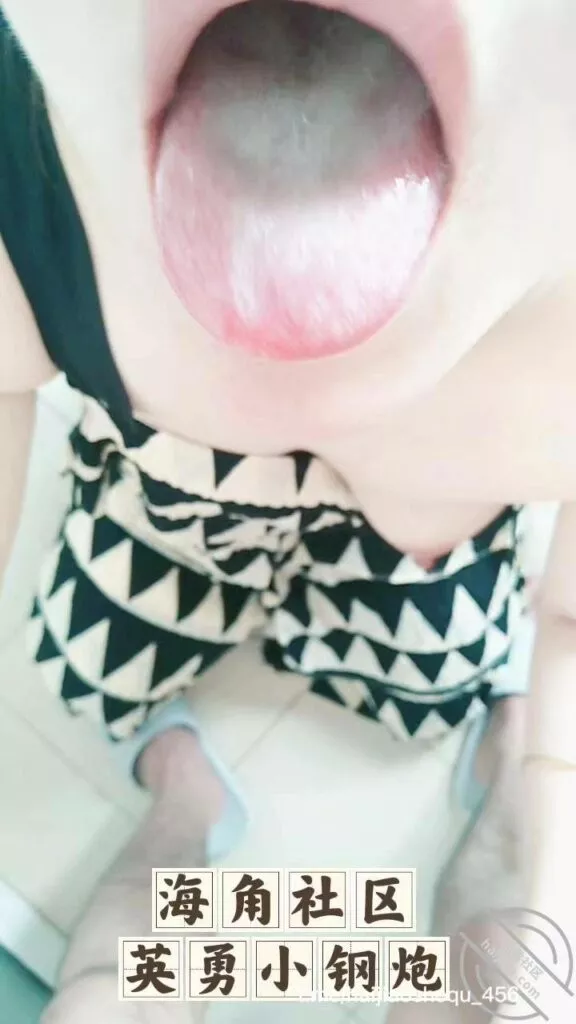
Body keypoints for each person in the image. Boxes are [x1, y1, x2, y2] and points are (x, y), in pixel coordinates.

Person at [1, 1, 575, 1020]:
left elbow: (570, 615)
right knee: (97, 670)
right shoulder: (28, 142)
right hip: (174, 517)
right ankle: (182, 815)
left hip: (423, 561)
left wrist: (548, 813)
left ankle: (500, 820)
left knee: (433, 701)